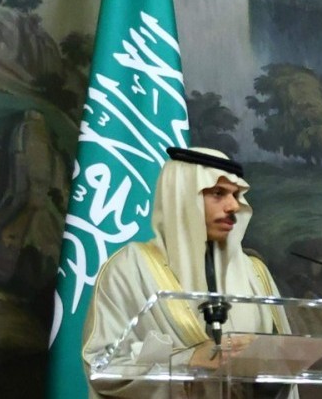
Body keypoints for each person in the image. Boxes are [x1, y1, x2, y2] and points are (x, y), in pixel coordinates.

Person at [81, 147, 294, 398]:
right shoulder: (130, 269)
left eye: (236, 195)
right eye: (218, 193)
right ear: (181, 195)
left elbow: (285, 368)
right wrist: (188, 360)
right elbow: (101, 367)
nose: (233, 206)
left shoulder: (255, 274)